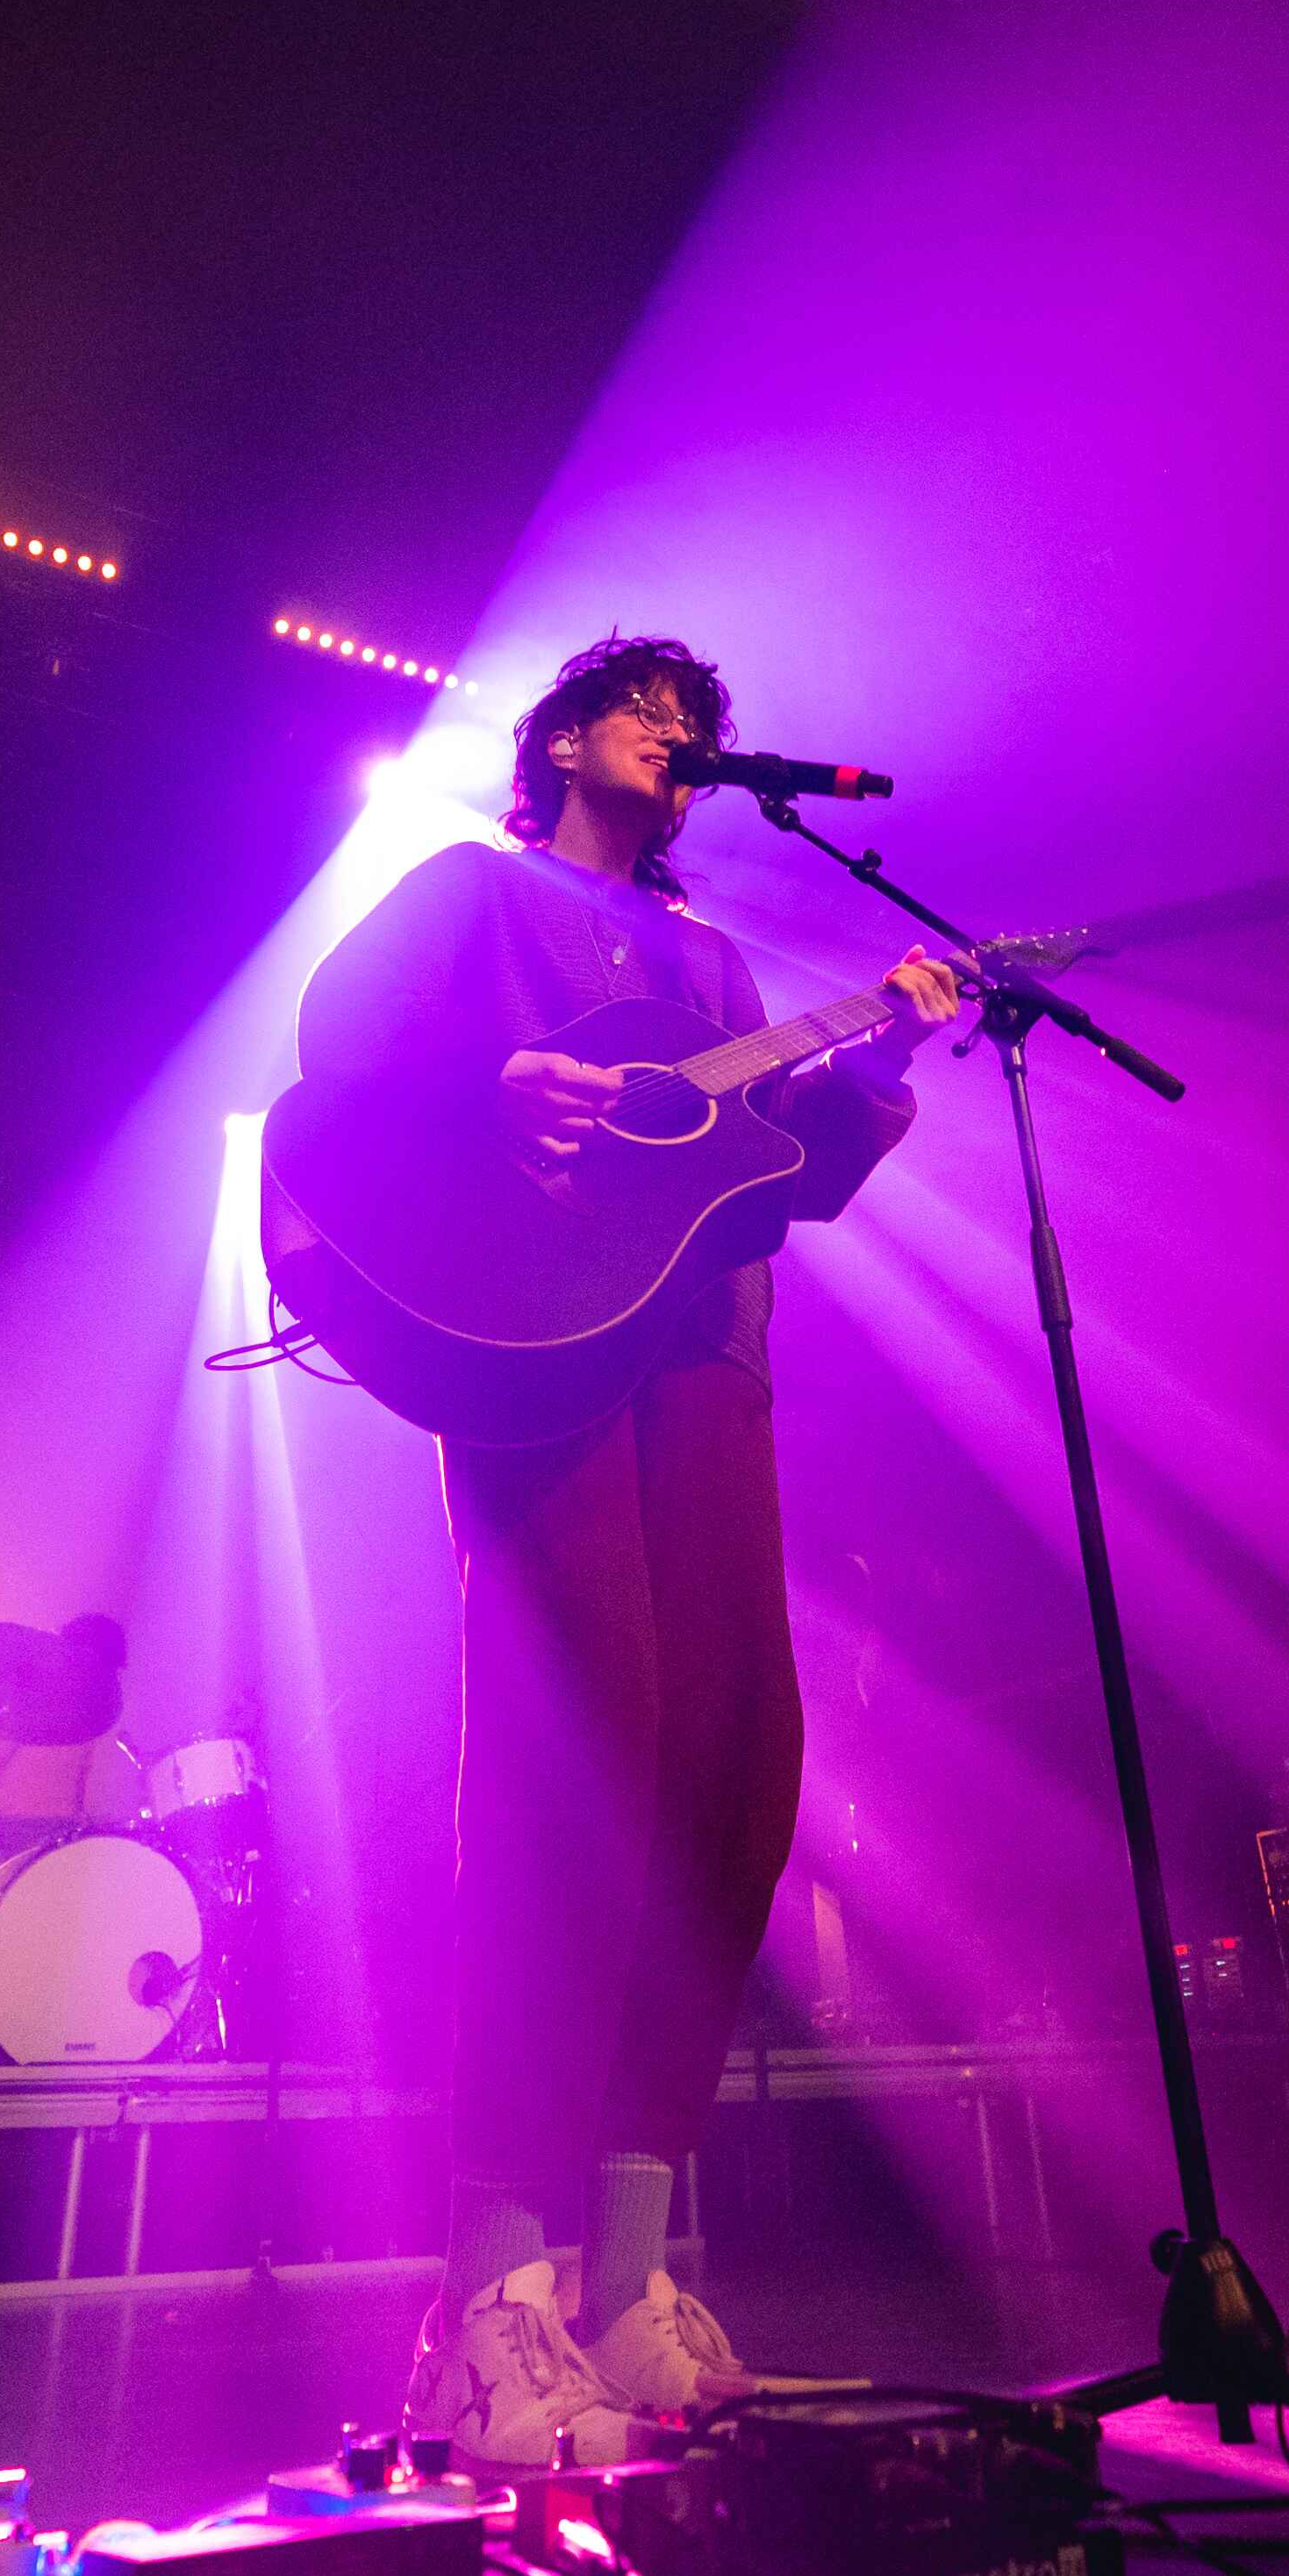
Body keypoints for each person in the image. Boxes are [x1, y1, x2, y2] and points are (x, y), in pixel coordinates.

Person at [298, 633, 963, 2462]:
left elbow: (784, 1177)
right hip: (536, 1338)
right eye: (649, 710)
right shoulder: (475, 893)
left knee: (733, 1764)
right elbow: (341, 1050)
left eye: (697, 725)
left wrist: (892, 1046)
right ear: (568, 737)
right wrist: (488, 1084)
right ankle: (484, 2299)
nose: (680, 737)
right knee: (574, 1750)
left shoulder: (716, 962)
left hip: (709, 1353)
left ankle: (625, 2281)